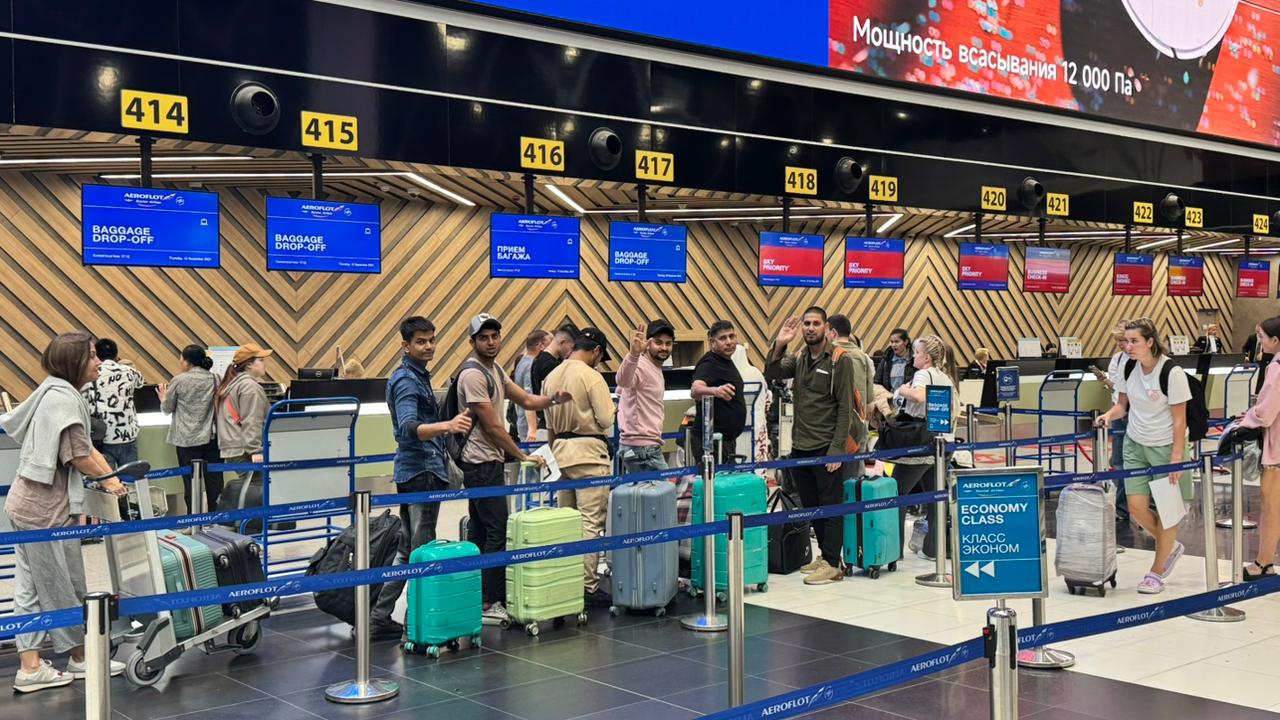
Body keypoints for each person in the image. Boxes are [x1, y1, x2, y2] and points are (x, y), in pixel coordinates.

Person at [2, 332, 128, 693]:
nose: (98, 362)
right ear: (73, 361)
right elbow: (78, 455)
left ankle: (38, 665)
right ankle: (77, 658)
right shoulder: (63, 400)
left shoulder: (54, 391)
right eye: (91, 356)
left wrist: (110, 477)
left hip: (28, 504)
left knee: (32, 587)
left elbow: (84, 448)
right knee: (61, 583)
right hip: (43, 511)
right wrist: (110, 483)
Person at [457, 314, 569, 626]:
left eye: (495, 336)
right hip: (480, 463)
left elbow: (525, 400)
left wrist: (552, 399)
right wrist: (521, 454)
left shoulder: (496, 369)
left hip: (488, 461)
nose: (491, 342)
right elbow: (492, 426)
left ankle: (480, 595)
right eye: (484, 337)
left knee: (481, 528)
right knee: (496, 530)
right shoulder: (472, 375)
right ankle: (492, 600)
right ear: (473, 342)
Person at [372, 316, 474, 639]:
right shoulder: (406, 380)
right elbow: (408, 428)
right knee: (422, 551)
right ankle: (417, 624)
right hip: (422, 472)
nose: (428, 346)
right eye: (420, 341)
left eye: (431, 340)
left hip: (414, 471)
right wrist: (448, 426)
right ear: (405, 345)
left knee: (408, 549)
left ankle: (380, 615)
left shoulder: (416, 376)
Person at [1096, 318, 1191, 595]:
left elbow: (1179, 420)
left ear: (1150, 342)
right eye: (1125, 341)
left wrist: (1176, 458)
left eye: (1134, 341)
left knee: (1166, 510)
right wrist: (1108, 415)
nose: (1128, 346)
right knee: (1137, 508)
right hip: (1135, 443)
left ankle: (1156, 572)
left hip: (1165, 446)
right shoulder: (1127, 366)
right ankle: (1169, 546)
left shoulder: (1171, 372)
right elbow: (1122, 405)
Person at [765, 308, 854, 585]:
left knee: (831, 506)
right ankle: (824, 557)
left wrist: (837, 449)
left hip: (826, 446)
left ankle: (833, 562)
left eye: (816, 324)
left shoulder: (840, 360)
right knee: (812, 505)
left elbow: (845, 408)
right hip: (801, 445)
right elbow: (772, 372)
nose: (810, 328)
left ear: (826, 328)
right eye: (807, 324)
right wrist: (780, 342)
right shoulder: (801, 358)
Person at [543, 327, 616, 606]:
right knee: (589, 523)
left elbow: (550, 427)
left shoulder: (551, 377)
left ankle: (566, 585)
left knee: (567, 523)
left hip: (561, 453)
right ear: (596, 351)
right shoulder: (591, 375)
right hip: (588, 454)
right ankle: (587, 587)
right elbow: (606, 419)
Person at [891, 334, 959, 560]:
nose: (914, 355)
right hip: (945, 443)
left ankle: (892, 549)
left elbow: (919, 396)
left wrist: (902, 389)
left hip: (922, 444)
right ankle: (936, 547)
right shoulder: (946, 377)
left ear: (927, 358)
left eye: (918, 353)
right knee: (936, 496)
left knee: (896, 493)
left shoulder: (923, 374)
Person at [1237, 316, 1280, 580]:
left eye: (1262, 337)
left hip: (1277, 447)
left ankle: (1264, 562)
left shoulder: (1277, 367)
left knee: (1271, 505)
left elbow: (1266, 413)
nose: (1259, 342)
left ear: (1276, 340)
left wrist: (1248, 416)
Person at [157, 345, 222, 514]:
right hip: (211, 436)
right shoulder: (216, 378)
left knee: (190, 481)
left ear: (186, 361)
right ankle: (216, 518)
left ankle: (193, 519)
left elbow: (167, 409)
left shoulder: (179, 380)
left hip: (186, 440)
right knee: (214, 480)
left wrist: (163, 398)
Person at [214, 343, 272, 509]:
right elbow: (252, 421)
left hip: (234, 446)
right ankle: (247, 526)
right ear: (249, 364)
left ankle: (241, 523)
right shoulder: (249, 386)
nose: (264, 364)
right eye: (260, 360)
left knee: (249, 487)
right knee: (256, 489)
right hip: (246, 449)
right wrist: (256, 450)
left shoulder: (232, 384)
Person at [617, 319, 674, 473]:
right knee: (666, 492)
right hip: (642, 448)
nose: (664, 347)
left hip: (642, 445)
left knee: (648, 494)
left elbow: (620, 390)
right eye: (658, 342)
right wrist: (634, 354)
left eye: (668, 343)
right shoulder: (641, 365)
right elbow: (623, 381)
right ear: (648, 343)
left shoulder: (653, 367)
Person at [1090, 325, 1131, 522]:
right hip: (1119, 412)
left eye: (1123, 340)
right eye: (1118, 341)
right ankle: (1122, 508)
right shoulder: (1117, 359)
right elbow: (1118, 388)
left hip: (1140, 415)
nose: (1121, 345)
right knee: (1118, 460)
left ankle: (1146, 505)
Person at [690, 320, 747, 463]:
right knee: (713, 484)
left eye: (732, 336)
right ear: (712, 342)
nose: (729, 342)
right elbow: (695, 389)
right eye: (723, 338)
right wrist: (715, 391)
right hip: (712, 442)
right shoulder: (709, 363)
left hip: (725, 440)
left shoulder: (725, 360)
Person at [82, 338, 144, 469]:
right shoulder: (128, 372)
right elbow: (140, 382)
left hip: (102, 435)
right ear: (116, 354)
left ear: (96, 355)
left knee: (108, 480)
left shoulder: (91, 374)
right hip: (127, 434)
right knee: (131, 480)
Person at [828, 314, 876, 479]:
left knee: (832, 478)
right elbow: (870, 404)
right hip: (859, 424)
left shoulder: (829, 355)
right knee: (855, 477)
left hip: (832, 425)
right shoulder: (865, 358)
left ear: (833, 333)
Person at [531, 324, 577, 438]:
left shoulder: (539, 360)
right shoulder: (550, 365)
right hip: (551, 428)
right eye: (571, 348)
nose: (571, 353)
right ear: (562, 342)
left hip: (546, 425)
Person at [513, 329, 549, 443]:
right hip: (530, 427)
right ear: (541, 345)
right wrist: (533, 430)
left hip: (522, 421)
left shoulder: (521, 362)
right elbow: (529, 396)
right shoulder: (530, 365)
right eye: (549, 343)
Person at [874, 329, 913, 394]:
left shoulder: (913, 360)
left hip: (908, 400)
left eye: (897, 341)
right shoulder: (886, 360)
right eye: (891, 342)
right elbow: (877, 382)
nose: (893, 345)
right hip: (890, 399)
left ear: (906, 342)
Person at [1245, 325, 1274, 395]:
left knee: (1261, 380)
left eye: (1260, 332)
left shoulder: (1268, 338)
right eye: (1257, 332)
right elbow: (1245, 348)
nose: (1258, 334)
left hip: (1263, 363)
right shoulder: (1252, 337)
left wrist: (1263, 354)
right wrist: (1245, 356)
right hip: (1252, 362)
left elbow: (1271, 351)